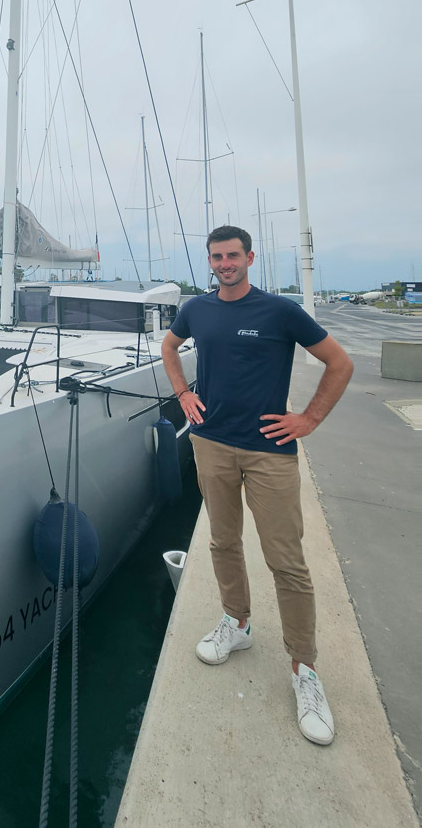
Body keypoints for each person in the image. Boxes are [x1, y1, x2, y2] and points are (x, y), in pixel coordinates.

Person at [161, 225, 353, 746]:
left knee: (285, 560)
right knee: (223, 541)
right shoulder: (197, 309)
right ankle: (237, 623)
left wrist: (308, 419)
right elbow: (170, 345)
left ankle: (304, 670)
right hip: (211, 443)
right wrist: (183, 394)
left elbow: (340, 363)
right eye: (216, 257)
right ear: (209, 261)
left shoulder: (279, 311)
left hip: (270, 451)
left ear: (250, 257)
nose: (225, 263)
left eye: (233, 255)